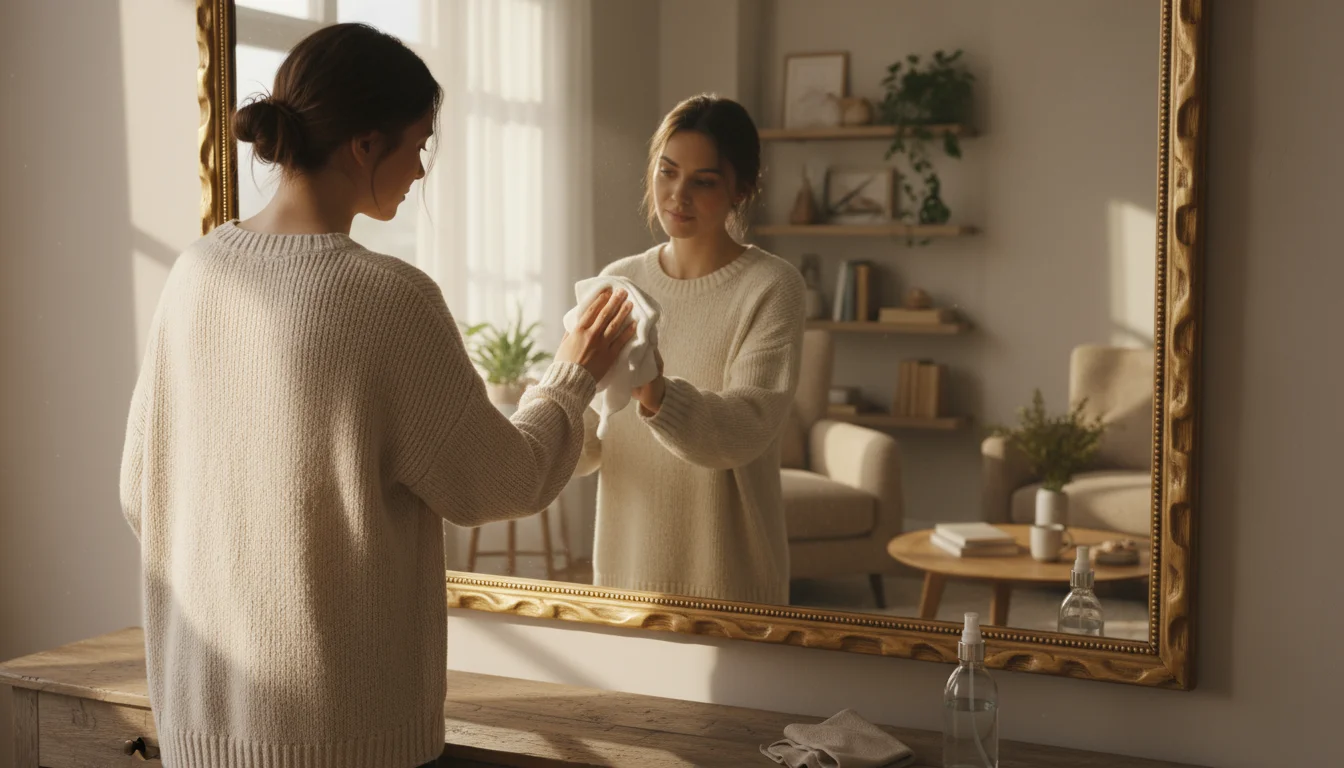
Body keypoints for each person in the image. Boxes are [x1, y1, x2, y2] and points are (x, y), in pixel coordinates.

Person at [117, 23, 633, 768]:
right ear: (364, 145)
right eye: (419, 144)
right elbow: (503, 481)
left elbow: (140, 491)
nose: (421, 169)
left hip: (201, 727)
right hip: (344, 738)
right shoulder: (387, 298)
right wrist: (573, 373)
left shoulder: (195, 273)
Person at [575, 94, 806, 605]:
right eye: (668, 172)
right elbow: (587, 441)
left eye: (704, 181)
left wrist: (657, 395)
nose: (677, 195)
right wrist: (549, 401)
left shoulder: (772, 286)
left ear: (740, 190)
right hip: (624, 579)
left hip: (731, 583)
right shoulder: (618, 281)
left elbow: (748, 427)